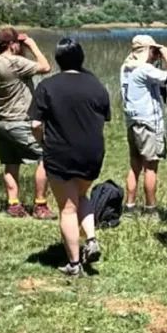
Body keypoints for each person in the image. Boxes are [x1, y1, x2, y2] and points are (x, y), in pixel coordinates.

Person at [29, 38, 111, 276]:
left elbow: (35, 123)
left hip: (60, 152)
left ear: (58, 60)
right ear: (81, 57)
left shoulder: (48, 86)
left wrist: (42, 141)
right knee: (82, 194)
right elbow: (104, 117)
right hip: (92, 152)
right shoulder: (96, 85)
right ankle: (91, 238)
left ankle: (74, 264)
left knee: (67, 208)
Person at [0, 26, 54, 219]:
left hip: (2, 122)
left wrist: (19, 46)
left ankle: (13, 204)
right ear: (12, 44)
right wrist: (32, 45)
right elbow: (45, 67)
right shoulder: (15, 62)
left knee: (11, 162)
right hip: (20, 121)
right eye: (18, 42)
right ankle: (40, 205)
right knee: (47, 157)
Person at [121, 35, 167, 216]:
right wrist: (166, 56)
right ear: (146, 50)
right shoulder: (144, 69)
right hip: (148, 123)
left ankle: (129, 205)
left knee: (134, 166)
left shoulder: (126, 67)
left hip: (132, 121)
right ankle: (151, 208)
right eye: (153, 50)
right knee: (151, 166)